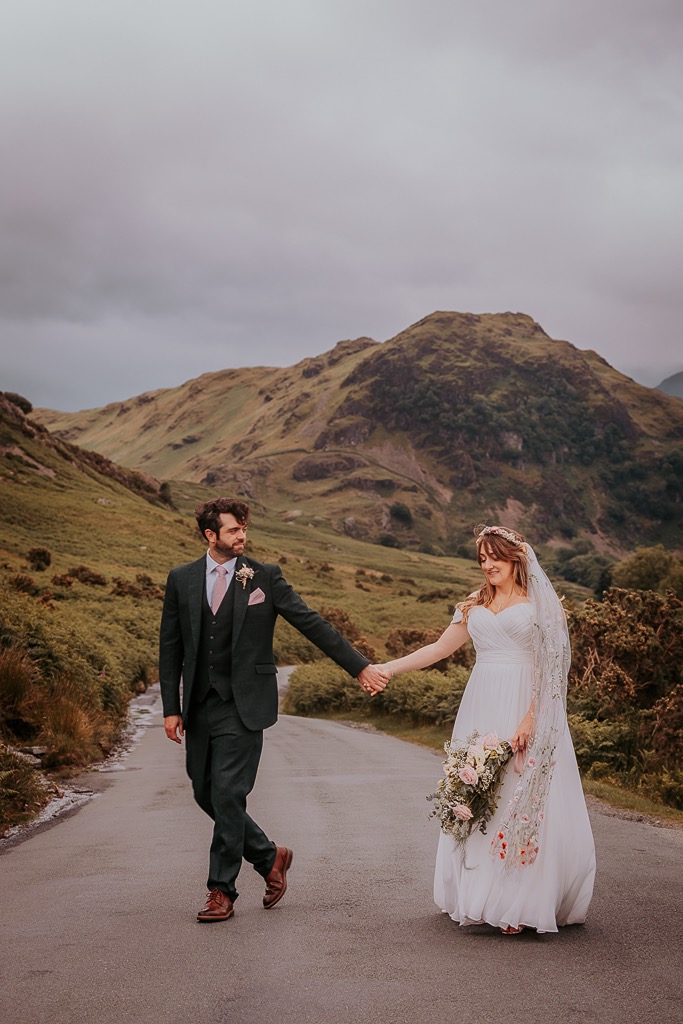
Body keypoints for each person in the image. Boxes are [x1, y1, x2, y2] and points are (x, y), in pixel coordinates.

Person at [159, 497, 387, 923]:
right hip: (199, 706)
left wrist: (359, 666)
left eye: (244, 528)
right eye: (232, 530)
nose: (242, 535)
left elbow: (310, 621)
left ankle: (220, 891)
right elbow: (170, 646)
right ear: (211, 535)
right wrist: (171, 707)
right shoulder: (182, 579)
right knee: (205, 793)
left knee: (228, 793)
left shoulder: (264, 576)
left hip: (245, 704)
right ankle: (269, 856)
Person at [378, 524, 595, 934]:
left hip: (526, 705)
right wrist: (387, 668)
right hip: (481, 704)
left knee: (519, 794)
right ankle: (477, 894)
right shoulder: (473, 604)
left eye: (495, 557)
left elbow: (552, 669)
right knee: (479, 791)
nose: (488, 565)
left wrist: (533, 717)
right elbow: (439, 649)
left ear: (516, 559)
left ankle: (516, 902)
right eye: (482, 559)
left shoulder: (540, 607)